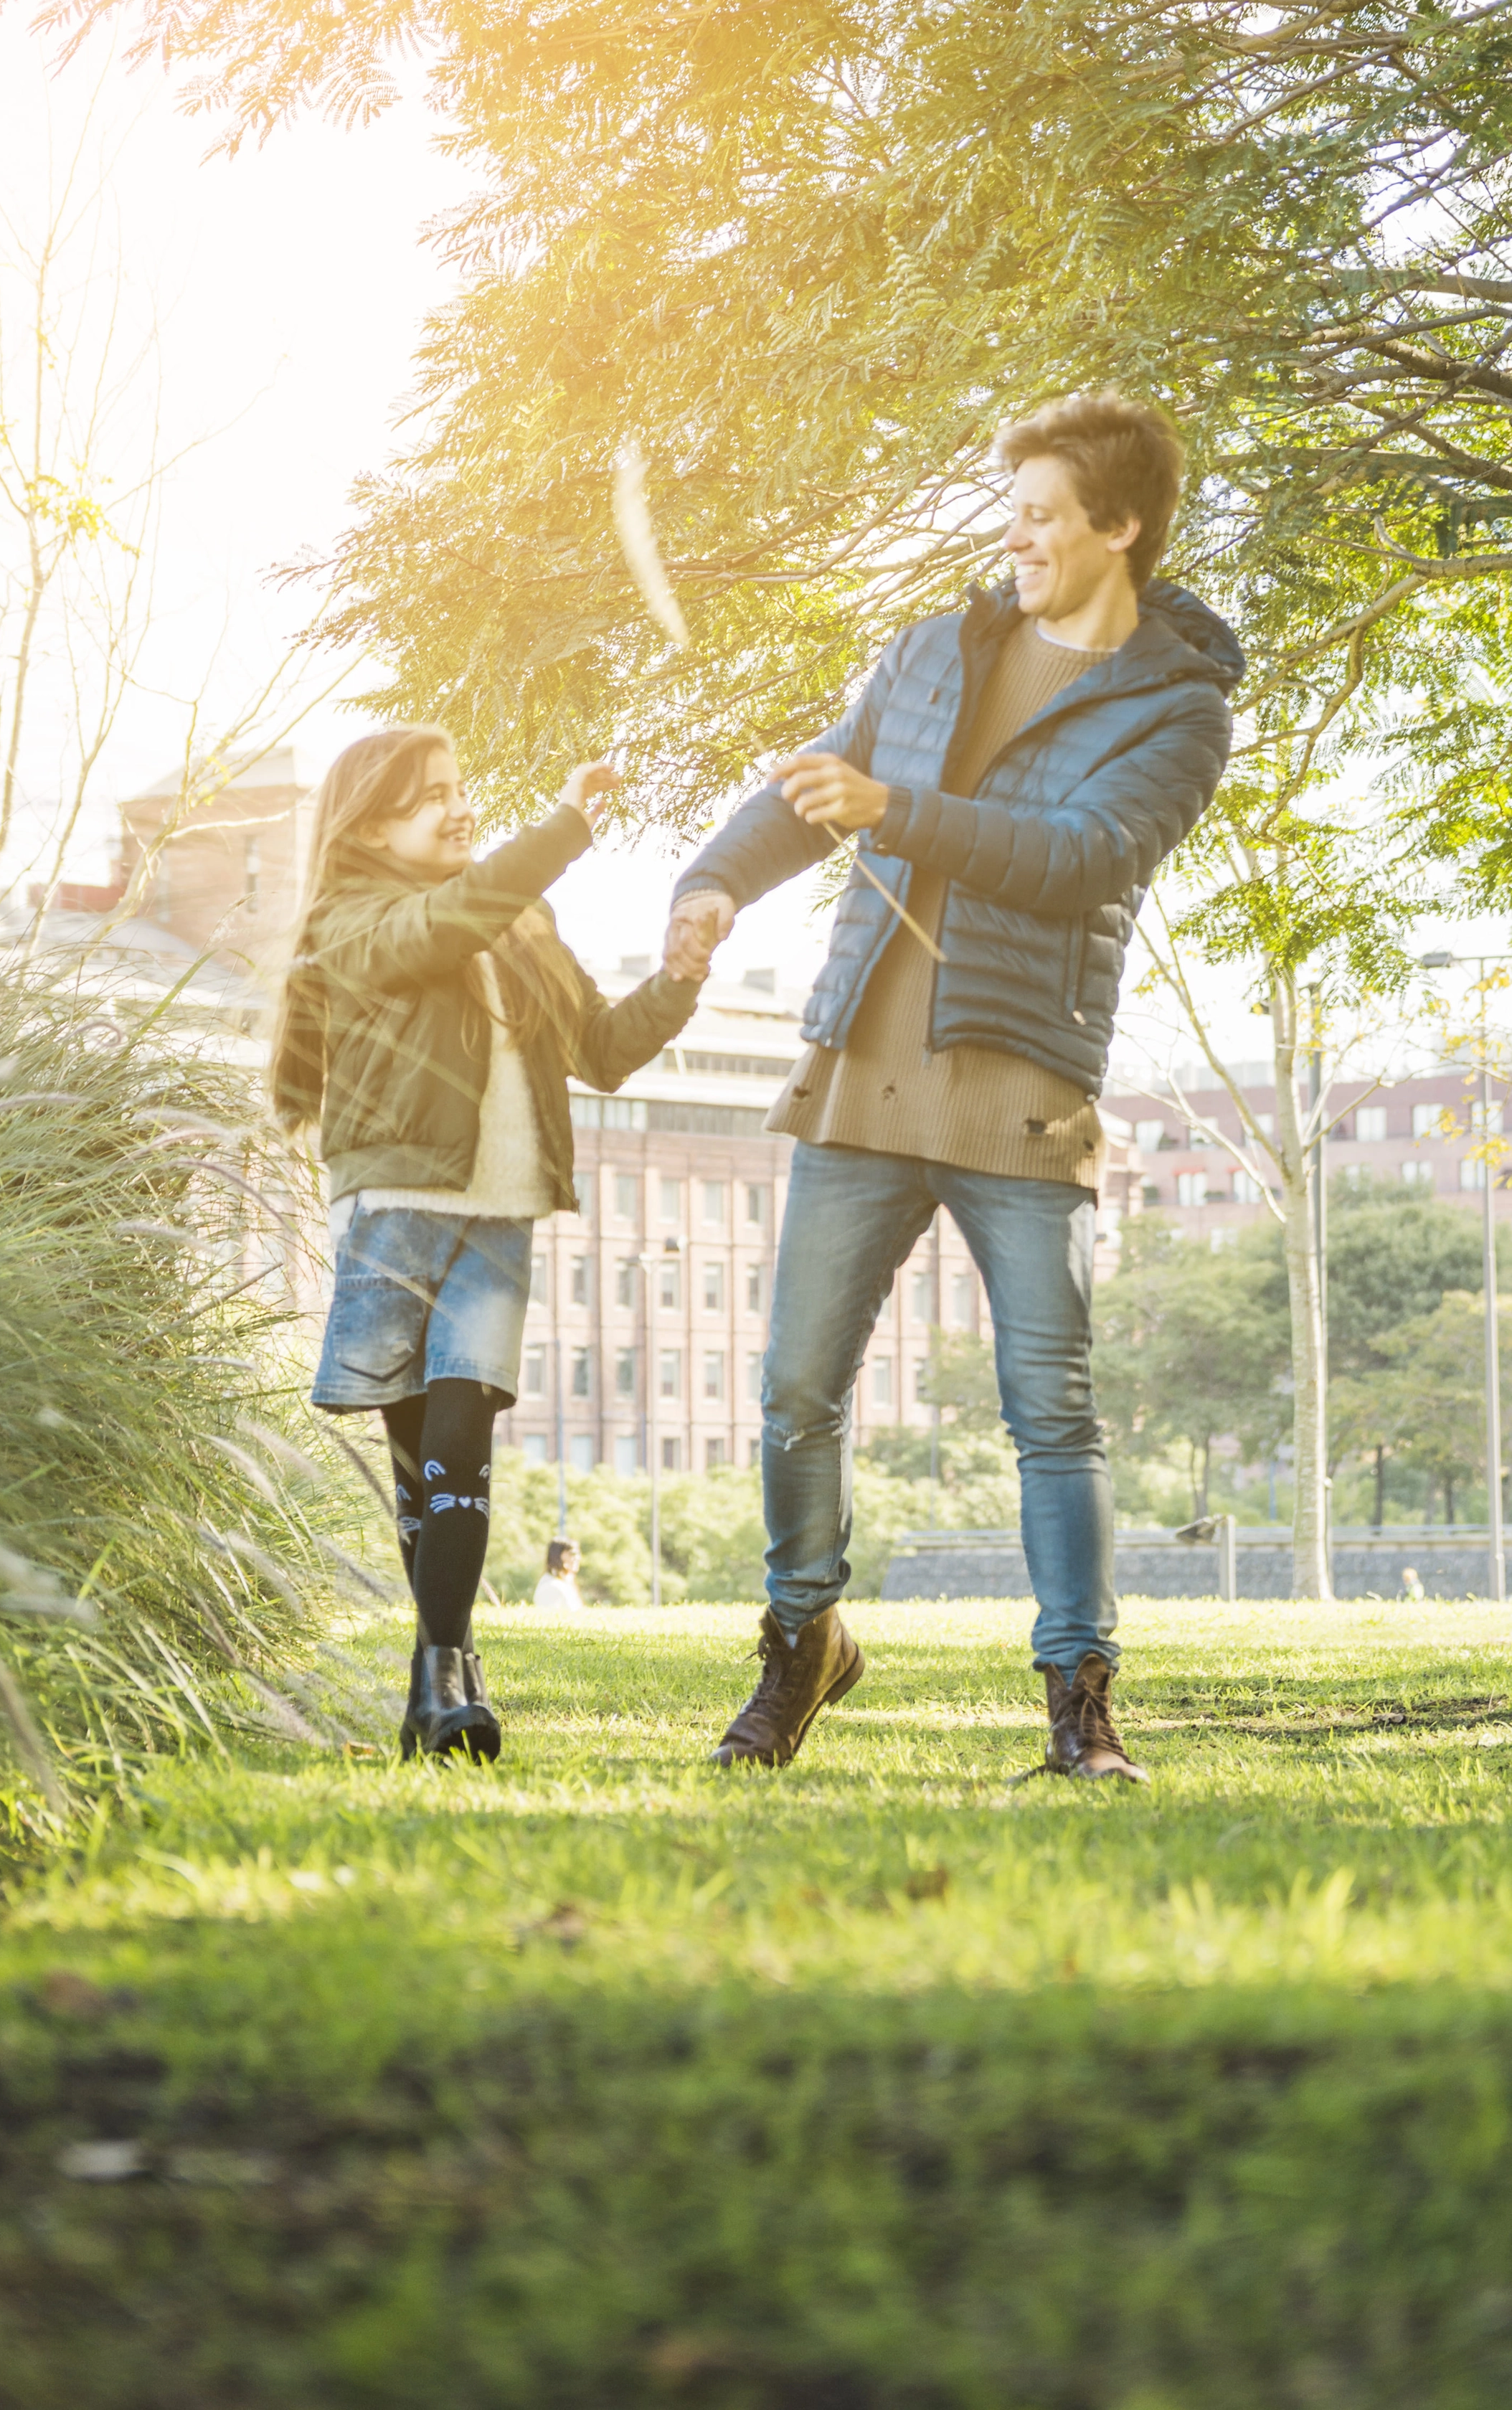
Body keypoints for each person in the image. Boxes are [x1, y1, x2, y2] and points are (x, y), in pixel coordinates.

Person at [663, 393, 1244, 1783]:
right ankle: (800, 1646)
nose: (1016, 535)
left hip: (1020, 1086)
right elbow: (824, 785)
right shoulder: (930, 653)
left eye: (1044, 512)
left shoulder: (1178, 711)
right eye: (1015, 509)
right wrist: (708, 885)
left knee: (1049, 1407)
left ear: (1119, 525)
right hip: (860, 1071)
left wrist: (896, 815)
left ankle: (1076, 1704)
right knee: (795, 1388)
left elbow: (1080, 857)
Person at [273, 726, 701, 1762]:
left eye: (464, 788)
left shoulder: (520, 918)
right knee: (425, 1464)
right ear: (372, 824)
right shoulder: (354, 918)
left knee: (463, 1441)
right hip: (396, 1207)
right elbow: (442, 928)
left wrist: (680, 975)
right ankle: (445, 1681)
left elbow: (599, 1050)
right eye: (433, 798)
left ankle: (437, 1690)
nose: (461, 808)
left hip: (503, 1214)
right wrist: (563, 826)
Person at [534, 1539, 585, 1612]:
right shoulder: (551, 1586)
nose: (577, 1558)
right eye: (572, 1554)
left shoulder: (565, 1583)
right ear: (557, 1556)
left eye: (578, 1554)